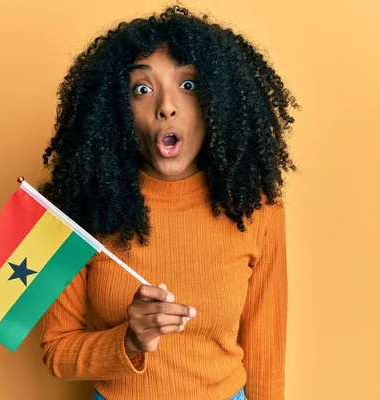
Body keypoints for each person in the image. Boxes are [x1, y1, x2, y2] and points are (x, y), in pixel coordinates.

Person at [38, 5, 299, 400]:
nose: (167, 105)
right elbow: (57, 350)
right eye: (142, 89)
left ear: (219, 103)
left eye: (188, 85)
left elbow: (265, 354)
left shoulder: (256, 208)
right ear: (115, 111)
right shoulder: (81, 210)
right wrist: (128, 341)